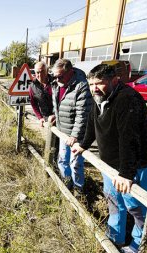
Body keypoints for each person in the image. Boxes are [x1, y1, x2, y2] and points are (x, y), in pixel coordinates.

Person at [71, 64, 147, 253]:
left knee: (136, 207)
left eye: (99, 83)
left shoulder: (127, 100)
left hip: (134, 166)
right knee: (114, 201)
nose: (94, 88)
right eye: (91, 84)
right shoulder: (99, 98)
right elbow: (92, 124)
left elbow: (129, 138)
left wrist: (126, 173)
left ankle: (138, 246)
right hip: (110, 166)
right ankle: (116, 237)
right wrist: (83, 144)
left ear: (114, 80)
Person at [48, 59, 92, 193]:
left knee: (76, 165)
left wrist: (75, 135)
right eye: (54, 76)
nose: (56, 79)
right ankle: (66, 187)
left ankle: (78, 191)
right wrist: (56, 115)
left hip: (76, 136)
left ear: (70, 72)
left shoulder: (82, 86)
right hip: (63, 131)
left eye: (60, 76)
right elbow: (59, 104)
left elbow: (82, 114)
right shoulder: (57, 83)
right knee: (62, 161)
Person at [28, 61, 53, 127]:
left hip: (58, 118)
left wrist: (55, 115)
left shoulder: (55, 83)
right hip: (46, 120)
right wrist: (40, 117)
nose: (40, 75)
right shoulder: (32, 86)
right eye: (38, 72)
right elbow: (33, 104)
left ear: (47, 71)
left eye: (42, 72)